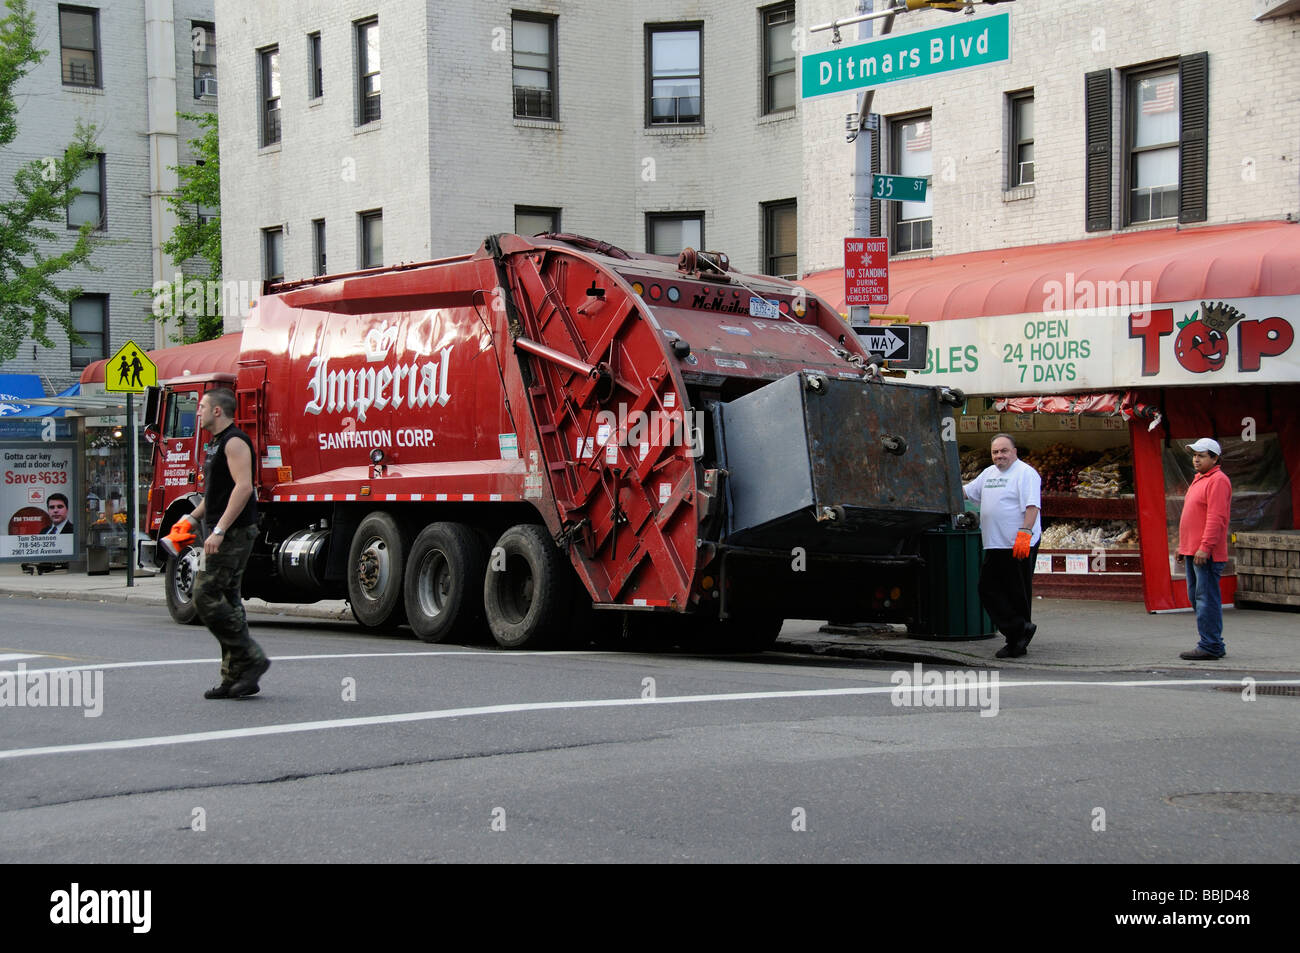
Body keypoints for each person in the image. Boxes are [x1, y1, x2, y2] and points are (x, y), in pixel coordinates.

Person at [185, 388, 269, 699]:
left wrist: (219, 530)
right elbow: (217, 494)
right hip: (219, 530)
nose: (199, 412)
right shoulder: (216, 444)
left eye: (202, 407)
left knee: (204, 595)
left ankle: (251, 659)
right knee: (229, 600)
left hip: (233, 534)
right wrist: (193, 519)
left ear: (218, 411)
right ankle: (236, 677)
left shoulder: (234, 441)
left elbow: (244, 488)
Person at [963, 433, 1042, 658]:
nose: (1000, 456)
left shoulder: (1026, 473)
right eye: (995, 452)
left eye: (1004, 451)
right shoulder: (988, 473)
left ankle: (1017, 640)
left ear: (1014, 452)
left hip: (1018, 543)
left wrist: (1025, 533)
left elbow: (1032, 506)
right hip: (994, 543)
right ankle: (1019, 629)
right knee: (987, 588)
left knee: (1017, 592)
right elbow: (967, 492)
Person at [1177, 437, 1232, 660]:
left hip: (1205, 553)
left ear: (1214, 458)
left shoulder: (1218, 480)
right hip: (1192, 550)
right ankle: (1213, 642)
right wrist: (1182, 546)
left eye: (1201, 455)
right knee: (1196, 596)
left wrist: (1205, 547)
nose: (1196, 459)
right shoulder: (1199, 479)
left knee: (1205, 598)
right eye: (1194, 455)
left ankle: (1210, 645)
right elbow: (1191, 517)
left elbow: (1216, 517)